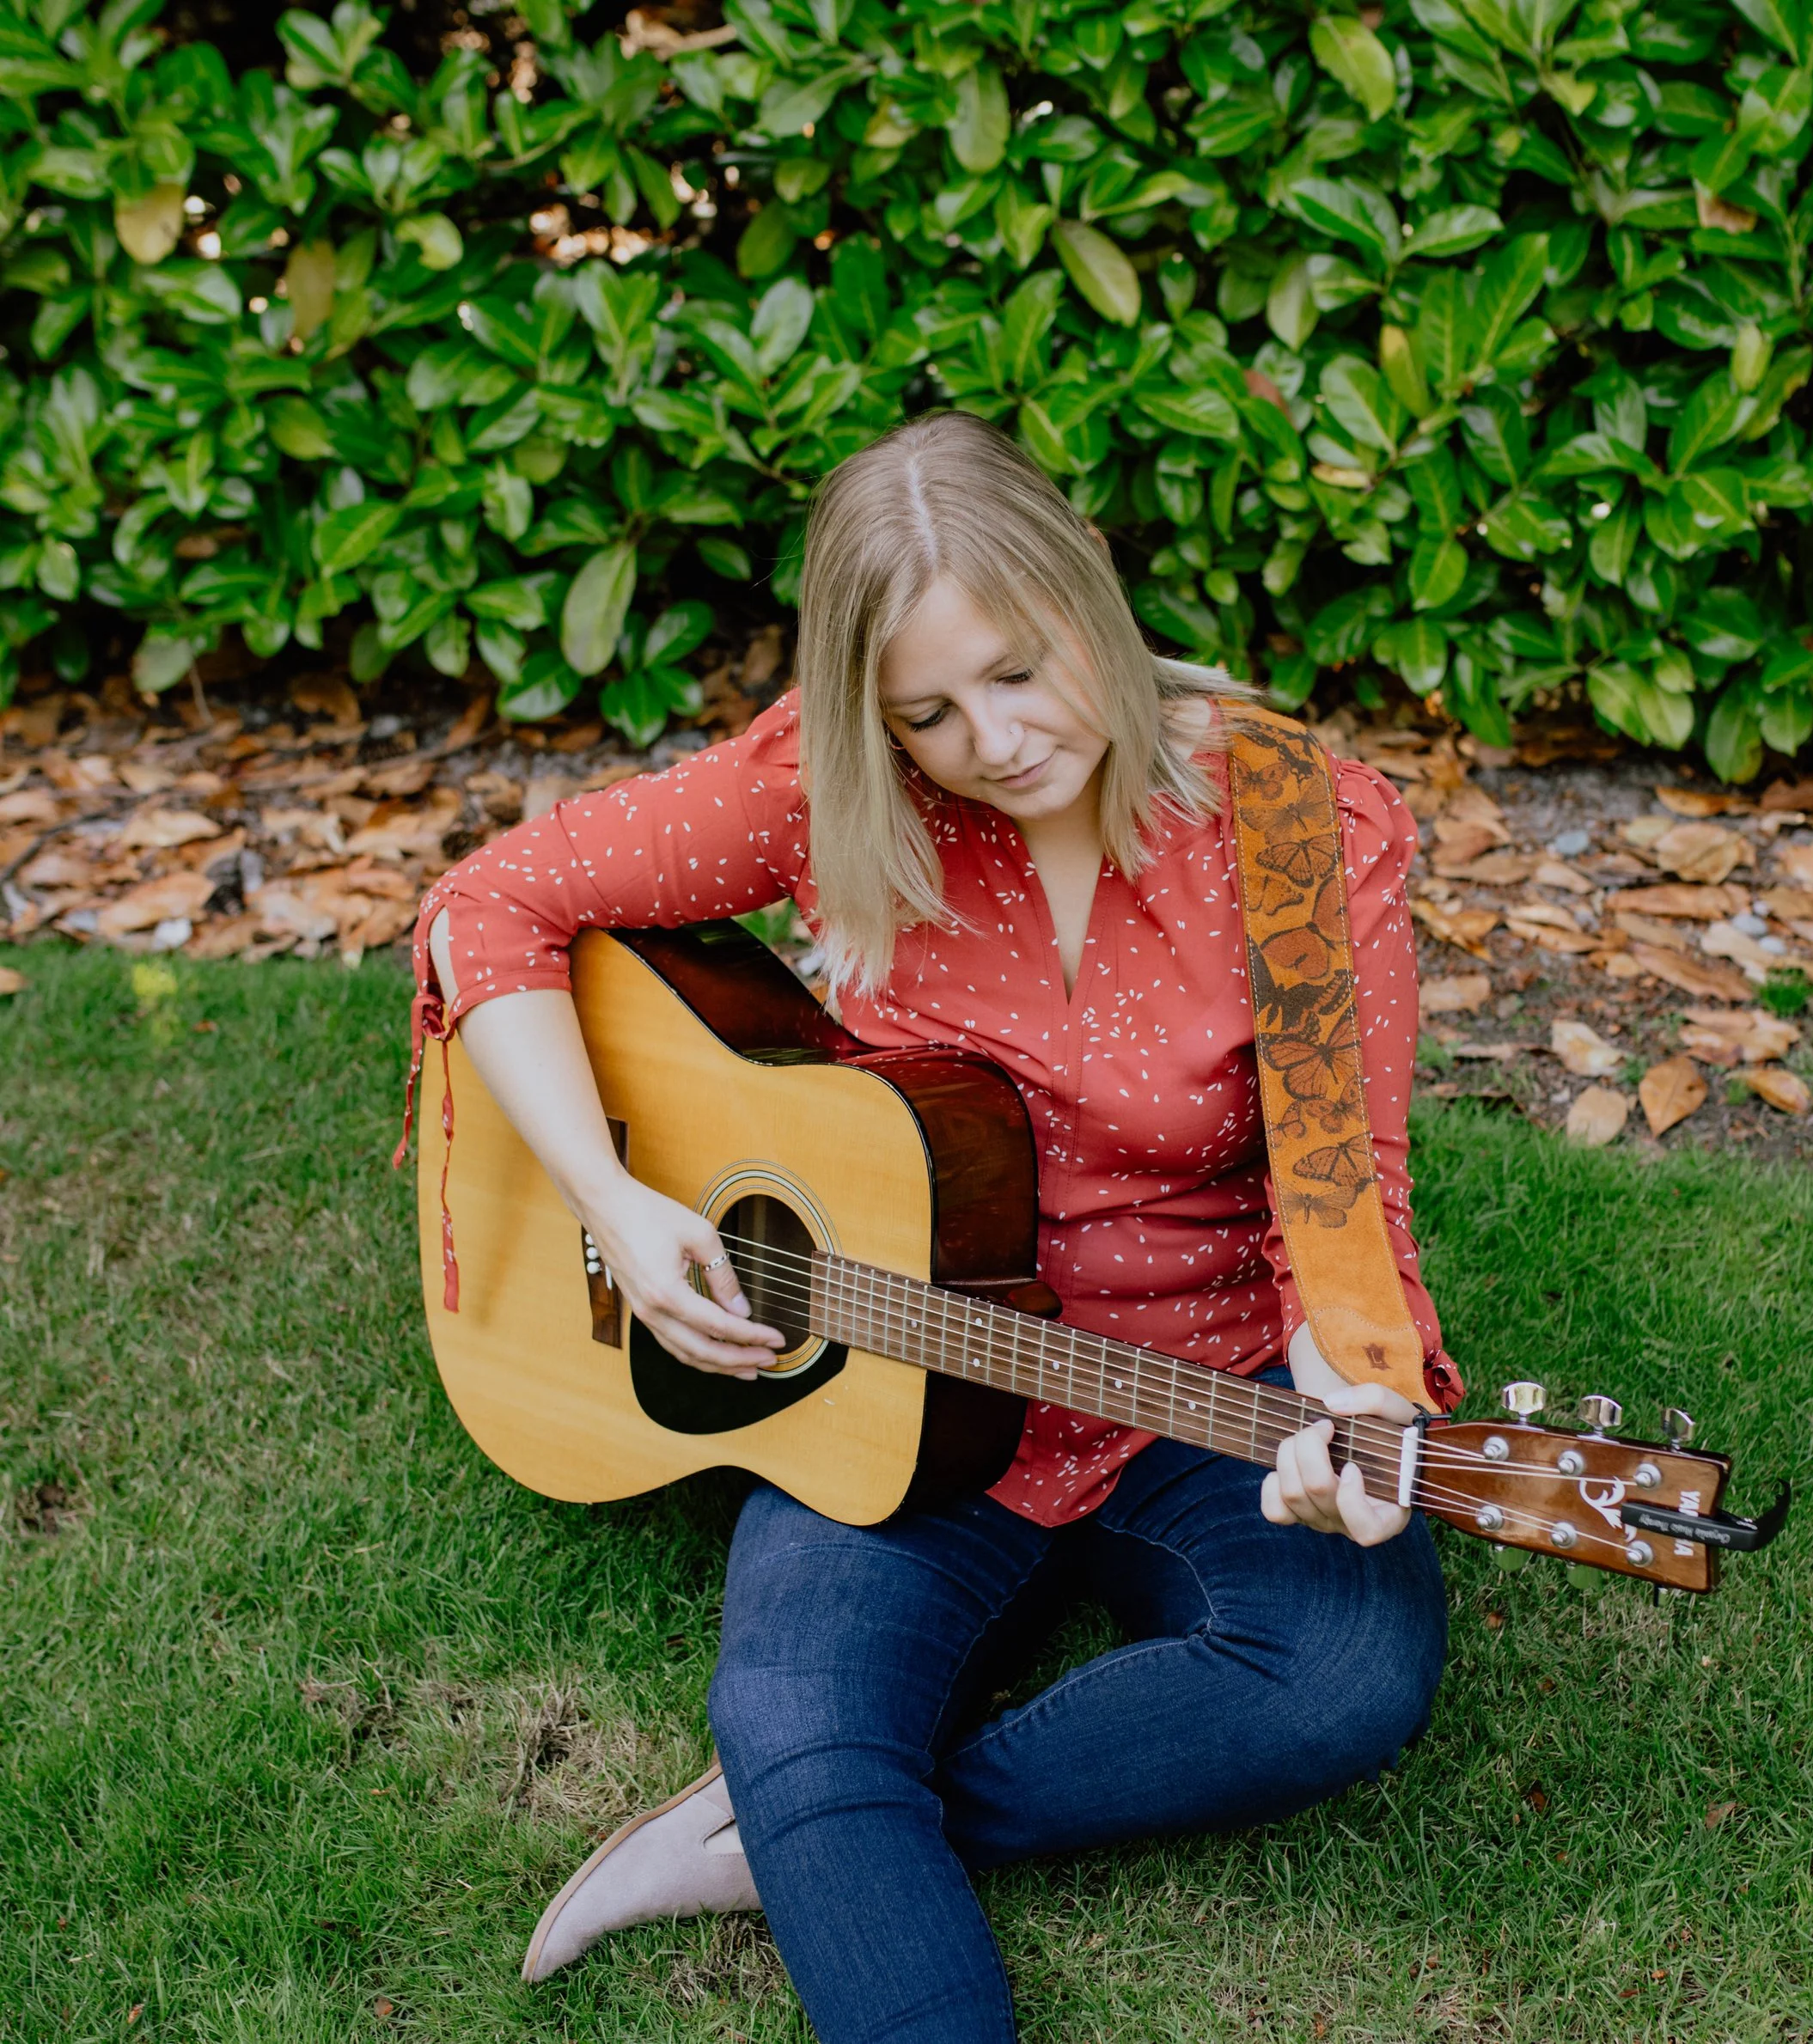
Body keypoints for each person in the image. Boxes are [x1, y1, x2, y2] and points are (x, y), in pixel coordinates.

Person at [406, 411, 1462, 2042]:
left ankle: (812, 1824)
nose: (994, 739)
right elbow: (493, 904)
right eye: (928, 710)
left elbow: (1344, 1185)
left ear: (1090, 584)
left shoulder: (1294, 822)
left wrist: (1358, 1397)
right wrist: (613, 1197)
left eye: (1025, 671)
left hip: (1205, 1371)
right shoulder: (838, 786)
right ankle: (820, 1788)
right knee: (789, 1700)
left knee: (1335, 1673)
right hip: (889, 1357)